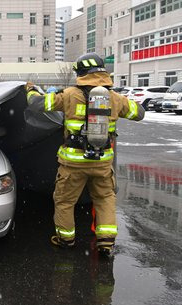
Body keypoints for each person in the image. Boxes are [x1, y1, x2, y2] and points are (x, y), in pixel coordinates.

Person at [26, 53, 145, 256]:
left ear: (81, 72)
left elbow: (37, 105)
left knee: (65, 201)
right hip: (102, 162)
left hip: (73, 164)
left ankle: (66, 239)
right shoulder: (114, 98)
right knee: (105, 198)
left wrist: (30, 90)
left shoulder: (70, 95)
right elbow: (139, 113)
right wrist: (121, 102)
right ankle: (106, 243)